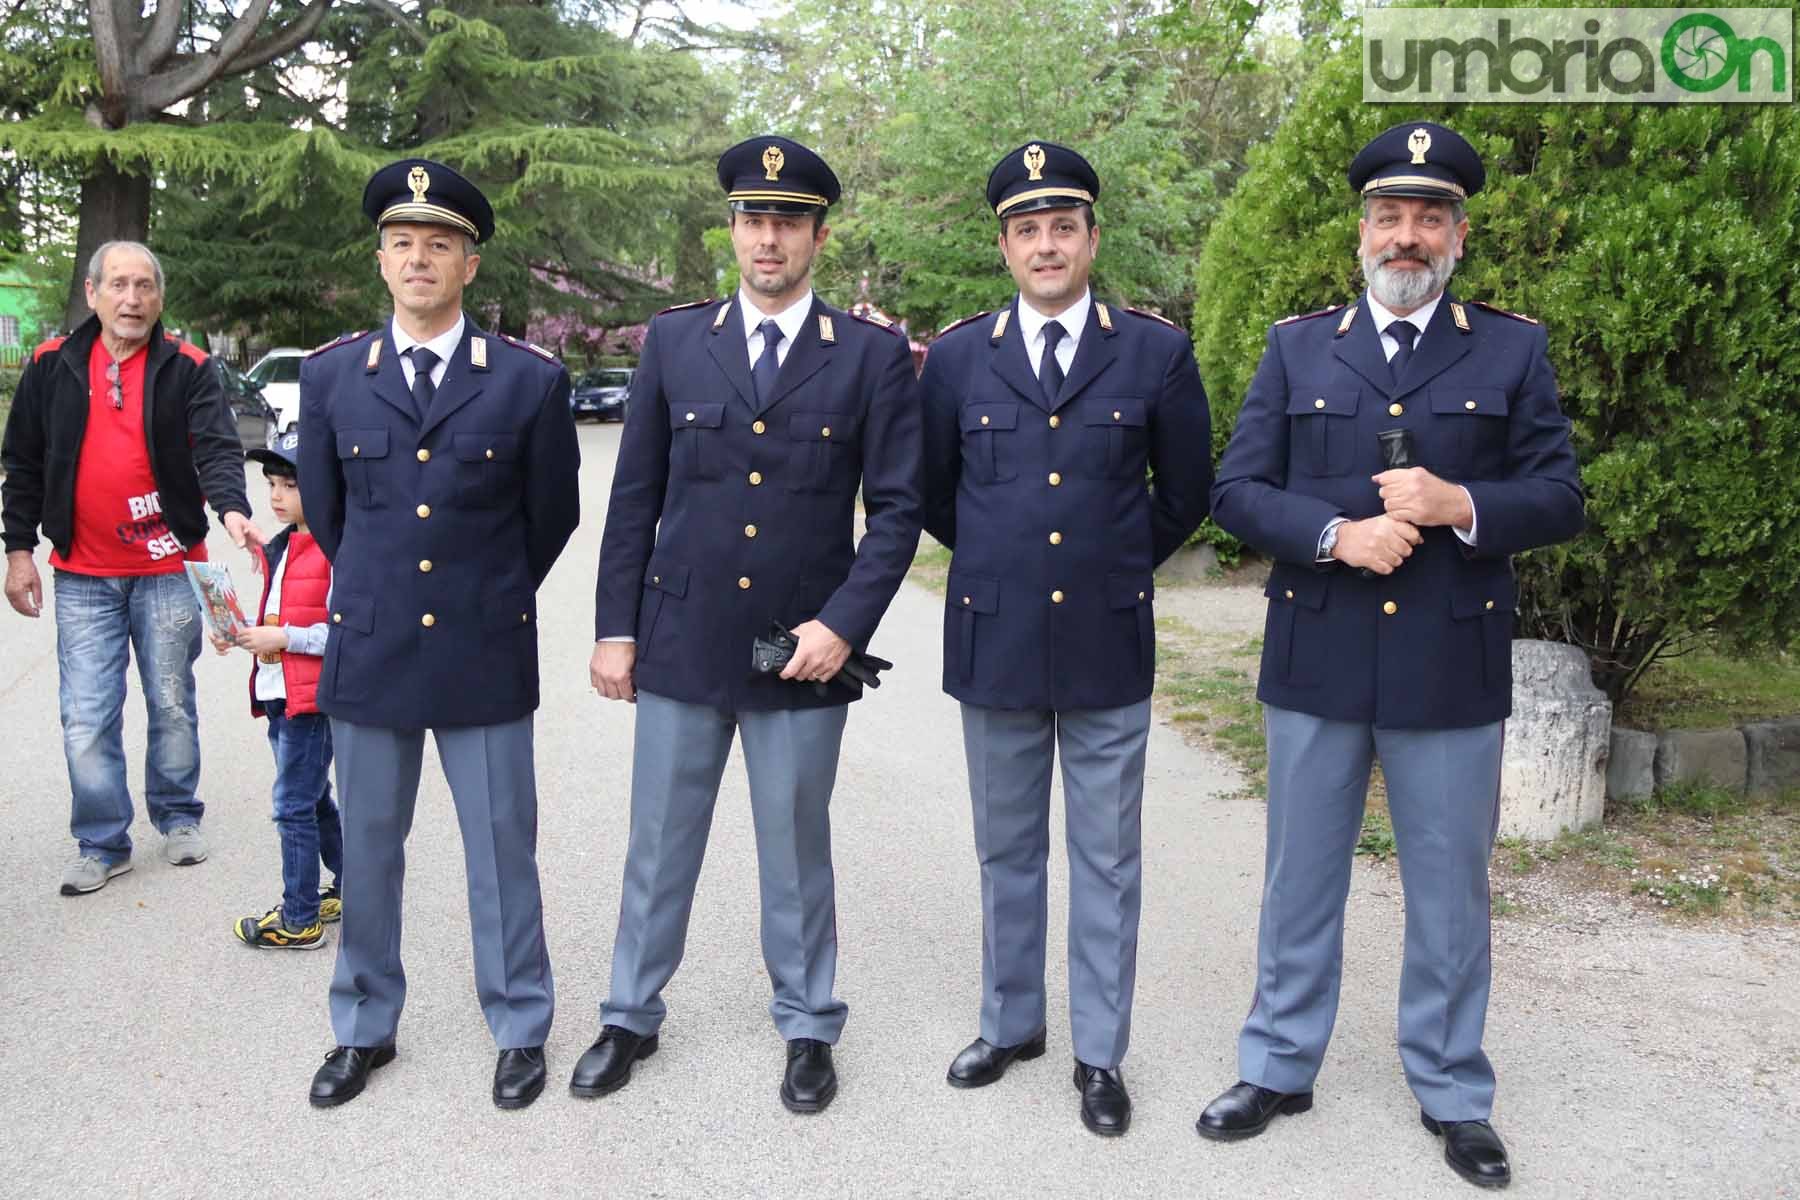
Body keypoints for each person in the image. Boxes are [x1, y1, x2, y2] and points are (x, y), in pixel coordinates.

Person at [1196, 122, 1584, 1189]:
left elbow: (1560, 497)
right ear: (1360, 231)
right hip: (1318, 656)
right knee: (1298, 879)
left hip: (1449, 670)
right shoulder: (1296, 347)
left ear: (1458, 232)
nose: (1405, 237)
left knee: (1451, 889)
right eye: (1388, 217)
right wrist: (1335, 535)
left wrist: (1462, 502)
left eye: (1428, 217)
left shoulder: (1511, 348)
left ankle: (1454, 1088)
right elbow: (1235, 492)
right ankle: (1277, 1066)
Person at [575, 135, 922, 1115]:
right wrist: (616, 628)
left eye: (789, 221)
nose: (769, 237)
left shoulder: (870, 356)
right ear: (732, 228)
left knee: (795, 840)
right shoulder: (678, 342)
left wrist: (845, 626)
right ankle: (628, 1015)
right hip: (682, 639)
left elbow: (896, 510)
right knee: (659, 840)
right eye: (752, 218)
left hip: (801, 649)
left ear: (817, 234)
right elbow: (634, 496)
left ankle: (809, 1023)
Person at [917, 141, 1213, 1137]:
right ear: (1005, 244)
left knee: (1106, 858)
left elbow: (1184, 496)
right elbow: (934, 495)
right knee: (1006, 850)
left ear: (1092, 237)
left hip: (1105, 642)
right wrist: (1007, 567)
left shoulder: (1156, 354)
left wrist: (1112, 562)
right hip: (994, 641)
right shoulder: (958, 357)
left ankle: (1099, 1053)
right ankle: (1011, 1025)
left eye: (1062, 227)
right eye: (1026, 230)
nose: (1046, 246)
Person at [295, 159, 581, 1111]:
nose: (420, 259)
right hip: (372, 650)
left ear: (470, 265)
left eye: (441, 245)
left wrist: (482, 593)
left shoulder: (529, 383)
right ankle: (363, 1027)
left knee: (502, 849)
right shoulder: (332, 375)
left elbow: (551, 518)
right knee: (370, 849)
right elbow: (332, 521)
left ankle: (518, 1026)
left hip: (483, 647)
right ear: (381, 261)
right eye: (403, 243)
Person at [2, 240, 265, 896]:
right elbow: (23, 463)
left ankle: (177, 814)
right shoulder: (50, 364)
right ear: (91, 293)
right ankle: (101, 839)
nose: (132, 298)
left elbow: (218, 448)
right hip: (83, 572)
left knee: (172, 699)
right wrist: (17, 551)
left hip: (169, 567)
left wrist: (232, 510)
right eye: (118, 284)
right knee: (87, 712)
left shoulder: (189, 367)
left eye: (144, 286)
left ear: (159, 297)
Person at [209, 429, 345, 950]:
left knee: (293, 804)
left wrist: (281, 637)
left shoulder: (336, 550)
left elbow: (341, 633)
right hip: (278, 691)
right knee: (313, 798)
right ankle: (350, 887)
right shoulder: (286, 544)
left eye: (290, 484)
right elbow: (277, 603)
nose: (276, 496)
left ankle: (299, 918)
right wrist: (236, 630)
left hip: (310, 699)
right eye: (271, 483)